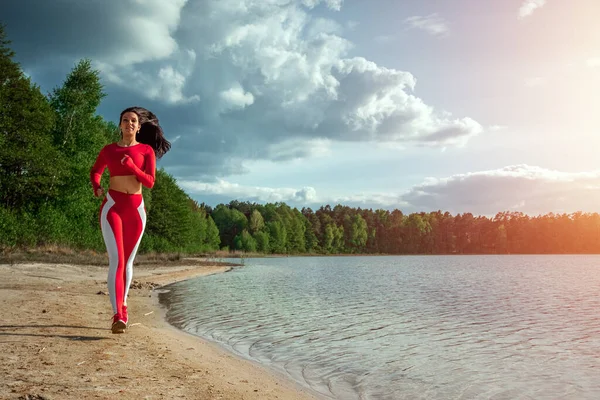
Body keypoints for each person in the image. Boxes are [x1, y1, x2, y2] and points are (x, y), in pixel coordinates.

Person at [90, 107, 171, 334]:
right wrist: (97, 185)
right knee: (116, 259)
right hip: (112, 207)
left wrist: (133, 166)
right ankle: (118, 315)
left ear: (139, 126)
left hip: (136, 210)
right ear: (120, 125)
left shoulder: (146, 151)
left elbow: (150, 182)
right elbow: (96, 171)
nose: (129, 124)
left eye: (133, 120)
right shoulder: (109, 150)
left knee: (127, 263)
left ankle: (123, 304)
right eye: (125, 120)